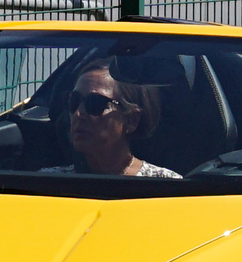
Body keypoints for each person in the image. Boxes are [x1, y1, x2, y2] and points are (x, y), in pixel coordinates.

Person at [41, 62, 180, 178]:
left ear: (132, 120)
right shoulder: (47, 184)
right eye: (73, 101)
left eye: (95, 104)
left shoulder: (167, 186)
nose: (78, 113)